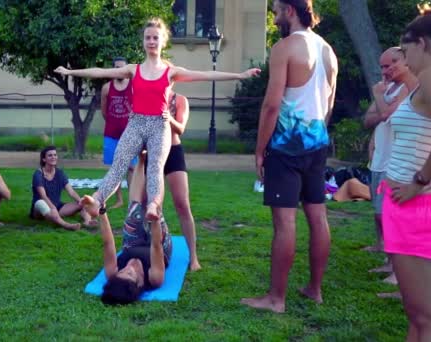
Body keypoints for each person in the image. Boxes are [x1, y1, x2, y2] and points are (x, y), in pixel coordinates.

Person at [55, 17, 260, 221]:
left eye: (155, 38)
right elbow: (100, 72)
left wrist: (240, 76)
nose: (151, 41)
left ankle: (153, 205)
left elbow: (205, 74)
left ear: (163, 41)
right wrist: (71, 71)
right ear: (143, 42)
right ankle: (98, 200)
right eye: (147, 38)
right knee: (119, 163)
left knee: (155, 168)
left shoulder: (171, 72)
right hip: (136, 123)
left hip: (158, 126)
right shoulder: (133, 70)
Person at [241, 0, 338, 313]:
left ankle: (276, 299)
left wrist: (259, 150)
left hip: (286, 148)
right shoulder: (328, 50)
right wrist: (316, 136)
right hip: (317, 143)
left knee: (285, 223)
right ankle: (315, 289)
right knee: (318, 216)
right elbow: (329, 105)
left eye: (277, 10)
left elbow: (271, 105)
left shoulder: (285, 48)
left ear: (291, 11)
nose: (274, 16)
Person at [381, 6, 431, 339]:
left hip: (414, 206)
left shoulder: (429, 79)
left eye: (407, 46)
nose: (404, 54)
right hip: (403, 204)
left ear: (424, 44)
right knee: (418, 317)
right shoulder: (421, 83)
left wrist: (420, 181)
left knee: (424, 316)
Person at [363, 47, 417, 294]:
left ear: (406, 61)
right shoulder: (390, 90)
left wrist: (378, 97)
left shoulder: (411, 88)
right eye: (383, 66)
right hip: (380, 158)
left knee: (394, 217)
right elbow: (368, 119)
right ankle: (389, 260)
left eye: (392, 63)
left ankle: (400, 274)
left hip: (400, 163)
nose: (387, 70)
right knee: (379, 213)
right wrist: (380, 104)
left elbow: (384, 115)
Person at [100, 151, 172, 305]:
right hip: (158, 248)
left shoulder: (112, 274)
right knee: (153, 204)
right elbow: (156, 245)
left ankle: (141, 160)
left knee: (134, 208)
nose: (128, 267)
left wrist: (101, 210)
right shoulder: (155, 279)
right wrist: (154, 217)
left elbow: (108, 244)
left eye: (122, 271)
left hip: (132, 244)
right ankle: (156, 166)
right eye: (130, 274)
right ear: (139, 283)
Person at [164, 92, 201, 271]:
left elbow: (180, 129)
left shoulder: (179, 100)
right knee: (147, 204)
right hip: (151, 152)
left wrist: (168, 117)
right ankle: (148, 250)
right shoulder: (146, 95)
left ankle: (193, 257)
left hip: (173, 151)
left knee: (182, 204)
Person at [30, 146, 97, 230]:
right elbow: (43, 196)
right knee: (40, 202)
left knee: (80, 203)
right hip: (40, 208)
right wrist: (53, 208)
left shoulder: (60, 173)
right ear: (44, 159)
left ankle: (87, 221)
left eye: (55, 155)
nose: (53, 157)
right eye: (50, 155)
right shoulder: (38, 174)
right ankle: (66, 225)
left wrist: (81, 201)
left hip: (58, 207)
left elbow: (71, 192)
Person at [100, 56, 135, 209]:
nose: (119, 71)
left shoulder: (134, 86)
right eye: (117, 68)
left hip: (131, 134)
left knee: (132, 168)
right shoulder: (107, 88)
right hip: (111, 134)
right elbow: (103, 111)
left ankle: (133, 200)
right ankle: (119, 199)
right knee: (115, 168)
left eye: (122, 68)